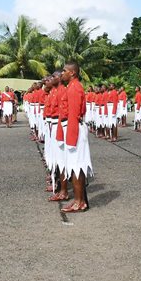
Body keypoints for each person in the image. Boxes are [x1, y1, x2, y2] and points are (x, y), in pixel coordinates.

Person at [57, 61, 92, 213]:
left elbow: (74, 114)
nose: (62, 73)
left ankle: (79, 202)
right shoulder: (71, 86)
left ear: (72, 73)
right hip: (71, 128)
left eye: (64, 70)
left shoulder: (75, 88)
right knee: (74, 166)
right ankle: (79, 200)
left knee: (77, 166)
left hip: (74, 129)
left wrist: (71, 138)